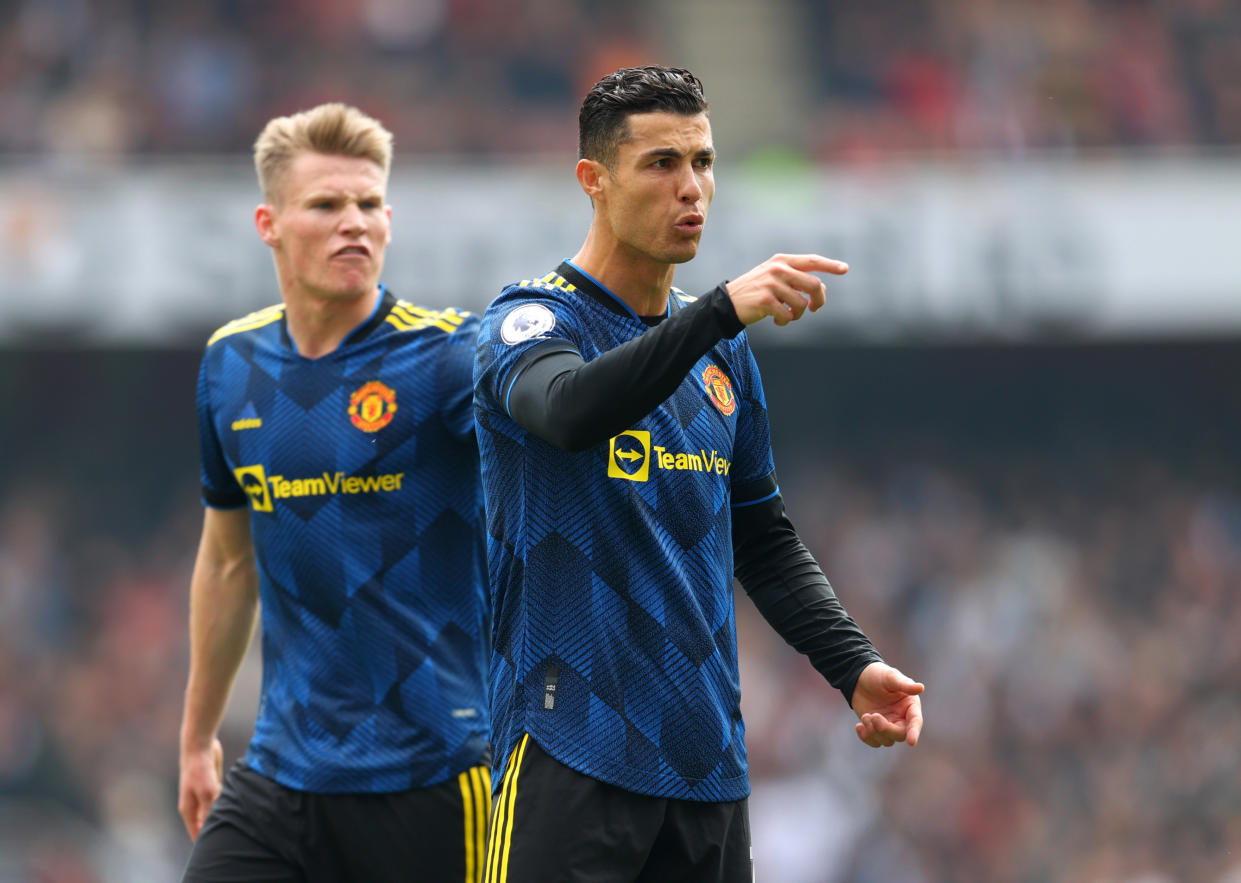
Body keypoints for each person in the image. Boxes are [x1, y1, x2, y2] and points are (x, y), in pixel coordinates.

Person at [473, 66, 925, 882]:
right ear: (594, 181)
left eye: (703, 162)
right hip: (567, 751)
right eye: (660, 164)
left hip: (703, 763)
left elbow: (762, 536)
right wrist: (717, 311)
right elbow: (570, 412)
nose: (692, 188)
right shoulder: (529, 321)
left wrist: (852, 664)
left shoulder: (720, 352)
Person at [178, 103, 492, 883]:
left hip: (436, 770)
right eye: (326, 205)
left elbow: (571, 421)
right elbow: (226, 564)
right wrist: (196, 737)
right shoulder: (230, 366)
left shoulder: (449, 356)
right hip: (281, 774)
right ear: (270, 223)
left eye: (369, 204)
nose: (355, 222)